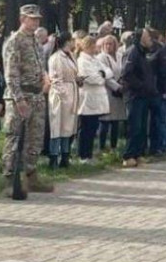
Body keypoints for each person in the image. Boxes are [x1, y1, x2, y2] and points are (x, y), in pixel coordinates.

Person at [2, 5, 53, 193]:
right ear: (22, 19)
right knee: (14, 138)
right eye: (32, 18)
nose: (36, 21)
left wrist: (45, 78)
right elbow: (11, 73)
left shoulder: (36, 42)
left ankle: (31, 175)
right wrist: (19, 99)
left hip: (37, 95)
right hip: (20, 96)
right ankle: (10, 179)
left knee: (35, 139)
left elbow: (40, 66)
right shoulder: (14, 41)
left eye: (37, 18)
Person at [121, 28, 157, 167]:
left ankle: (138, 154)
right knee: (134, 126)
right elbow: (127, 74)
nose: (150, 40)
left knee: (142, 127)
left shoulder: (143, 53)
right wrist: (141, 85)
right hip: (134, 95)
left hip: (144, 95)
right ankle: (128, 155)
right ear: (141, 38)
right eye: (148, 37)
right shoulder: (132, 52)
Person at [76, 35, 111, 163]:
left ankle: (89, 154)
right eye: (94, 46)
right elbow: (90, 78)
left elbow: (108, 71)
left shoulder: (95, 60)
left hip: (97, 98)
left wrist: (102, 75)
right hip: (88, 98)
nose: (96, 48)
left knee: (93, 128)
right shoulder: (82, 61)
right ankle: (83, 155)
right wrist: (102, 76)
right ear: (88, 46)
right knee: (86, 128)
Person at [47, 32, 79, 169]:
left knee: (67, 127)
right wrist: (65, 96)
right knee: (57, 126)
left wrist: (78, 80)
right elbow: (56, 79)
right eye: (72, 40)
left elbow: (73, 73)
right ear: (67, 41)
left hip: (71, 91)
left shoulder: (71, 56)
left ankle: (65, 156)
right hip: (60, 97)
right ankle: (53, 157)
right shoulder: (56, 58)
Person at [97, 35, 125, 152]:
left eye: (110, 44)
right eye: (106, 44)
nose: (108, 46)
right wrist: (117, 87)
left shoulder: (120, 56)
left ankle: (114, 146)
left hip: (120, 93)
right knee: (105, 120)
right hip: (108, 91)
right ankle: (102, 146)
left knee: (116, 121)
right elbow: (105, 76)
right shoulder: (101, 58)